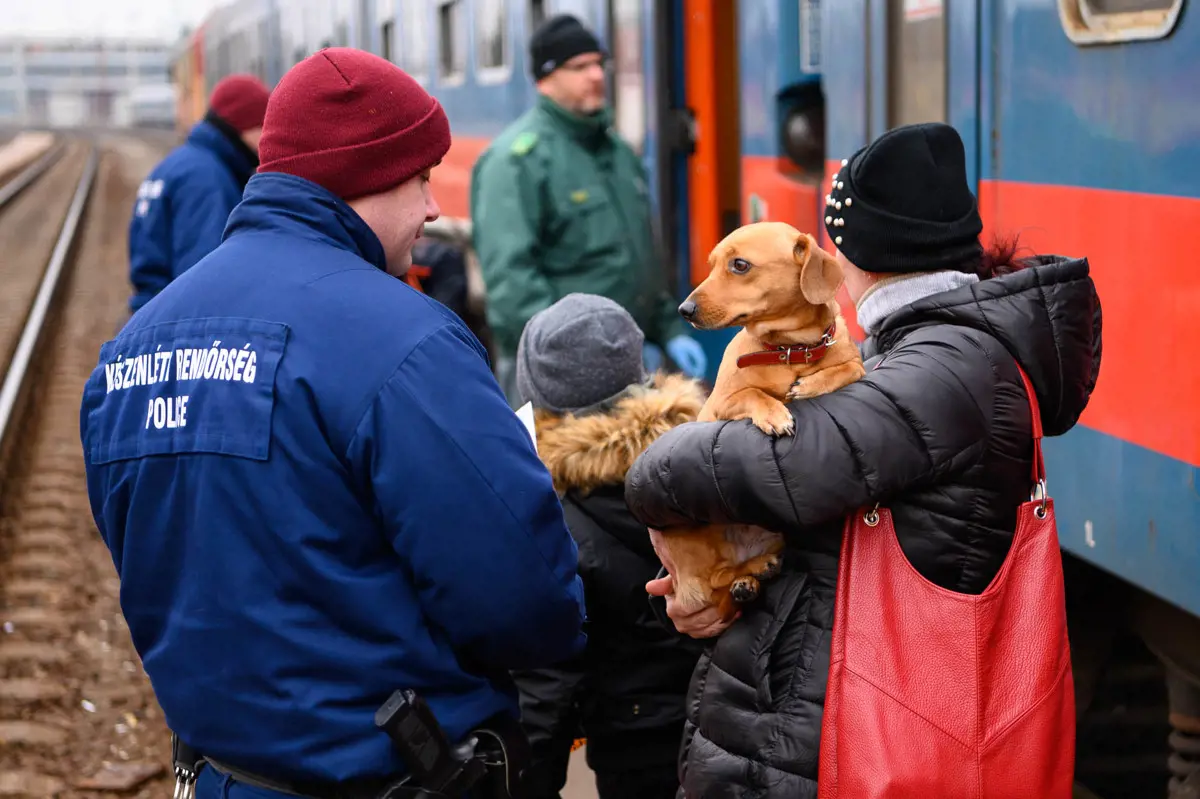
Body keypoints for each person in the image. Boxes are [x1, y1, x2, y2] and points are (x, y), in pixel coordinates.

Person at [80, 48, 586, 799]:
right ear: (365, 177)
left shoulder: (129, 353)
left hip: (222, 775)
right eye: (421, 178)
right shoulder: (406, 343)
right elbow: (524, 603)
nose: (434, 207)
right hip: (395, 774)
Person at [623, 122, 1103, 797]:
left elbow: (774, 470)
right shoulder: (917, 352)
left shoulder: (940, 369)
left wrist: (652, 464)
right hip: (816, 707)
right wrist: (715, 584)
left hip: (847, 736)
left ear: (864, 256)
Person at [508, 293, 705, 799]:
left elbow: (547, 685)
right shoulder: (703, 461)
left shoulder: (558, 517)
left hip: (632, 745)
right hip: (723, 718)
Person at [470, 13, 706, 404]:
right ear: (545, 79)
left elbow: (639, 260)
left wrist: (671, 329)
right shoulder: (516, 162)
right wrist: (575, 357)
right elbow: (513, 286)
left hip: (625, 362)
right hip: (558, 376)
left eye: (599, 63)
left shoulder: (615, 152)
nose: (596, 75)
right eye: (579, 67)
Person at [127, 73, 270, 315]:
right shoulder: (207, 180)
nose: (267, 139)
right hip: (176, 323)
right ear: (244, 126)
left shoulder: (179, 163)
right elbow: (205, 278)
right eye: (263, 127)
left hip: (153, 309)